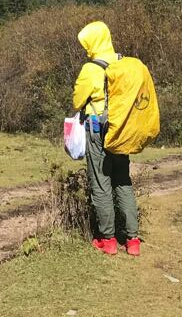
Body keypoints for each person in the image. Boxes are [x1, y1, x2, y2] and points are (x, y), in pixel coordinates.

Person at [73, 21, 140, 256]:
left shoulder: (90, 69)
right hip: (120, 130)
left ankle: (108, 239)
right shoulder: (122, 62)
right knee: (123, 181)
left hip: (97, 131)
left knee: (101, 184)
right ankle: (133, 241)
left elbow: (77, 101)